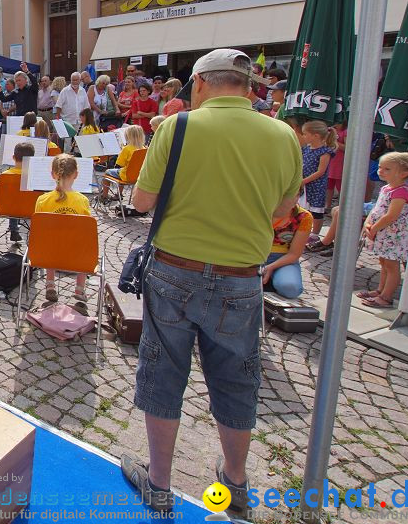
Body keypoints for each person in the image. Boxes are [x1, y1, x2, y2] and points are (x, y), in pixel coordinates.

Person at [121, 49, 301, 518]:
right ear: (248, 86)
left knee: (162, 374)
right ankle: (235, 482)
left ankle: (159, 484)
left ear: (199, 83)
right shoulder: (284, 134)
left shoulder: (177, 126)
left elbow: (141, 202)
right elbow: (284, 212)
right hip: (241, 276)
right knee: (236, 379)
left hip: (174, 270)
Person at [358, 152, 408, 309]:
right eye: (380, 167)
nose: (381, 171)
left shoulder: (402, 191)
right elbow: (376, 208)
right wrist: (368, 223)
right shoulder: (387, 188)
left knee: (391, 266)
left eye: (387, 169)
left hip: (394, 235)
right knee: (383, 262)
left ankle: (386, 296)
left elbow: (392, 215)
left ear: (403, 173)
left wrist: (375, 228)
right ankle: (380, 290)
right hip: (384, 233)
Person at [34, 154, 92, 302]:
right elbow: (87, 233)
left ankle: (50, 284)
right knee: (84, 245)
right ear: (76, 175)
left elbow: (38, 232)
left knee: (50, 240)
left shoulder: (42, 200)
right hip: (75, 255)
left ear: (53, 174)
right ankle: (79, 289)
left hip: (47, 254)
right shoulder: (82, 201)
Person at [261, 203, 311, 299]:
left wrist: (271, 267)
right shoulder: (258, 209)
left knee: (290, 288)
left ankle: (275, 280)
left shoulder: (304, 217)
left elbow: (294, 254)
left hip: (283, 260)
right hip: (255, 256)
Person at [299, 120, 337, 232]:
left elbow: (320, 171)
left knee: (316, 211)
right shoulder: (305, 149)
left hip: (316, 185)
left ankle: (315, 234)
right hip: (304, 184)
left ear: (316, 136)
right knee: (302, 208)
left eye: (305, 134)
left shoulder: (324, 152)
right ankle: (302, 230)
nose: (303, 136)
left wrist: (304, 181)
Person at [1, 142, 36, 244]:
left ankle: (13, 229)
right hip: (29, 209)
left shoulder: (4, 175)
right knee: (19, 200)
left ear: (13, 157)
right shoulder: (33, 176)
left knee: (13, 200)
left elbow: (2, 197)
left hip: (6, 209)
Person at [100, 126, 146, 199]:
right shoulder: (144, 148)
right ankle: (119, 194)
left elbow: (119, 164)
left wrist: (121, 152)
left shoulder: (127, 149)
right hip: (138, 176)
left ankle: (104, 196)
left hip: (126, 176)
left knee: (108, 172)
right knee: (121, 171)